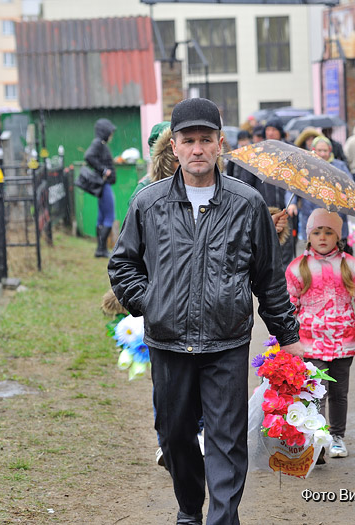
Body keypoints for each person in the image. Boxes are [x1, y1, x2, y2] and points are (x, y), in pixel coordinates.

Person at [108, 98, 302, 525]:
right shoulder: (149, 203)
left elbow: (269, 277)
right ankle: (189, 509)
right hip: (168, 341)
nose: (198, 149)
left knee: (226, 440)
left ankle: (221, 519)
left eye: (206, 140)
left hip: (226, 340)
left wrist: (289, 338)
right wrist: (151, 302)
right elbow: (123, 264)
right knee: (175, 436)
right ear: (173, 146)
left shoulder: (246, 204)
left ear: (220, 145)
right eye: (189, 140)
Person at [285, 208, 355, 458]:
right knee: (316, 392)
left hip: (343, 341)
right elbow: (287, 306)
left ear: (338, 237)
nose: (322, 237)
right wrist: (285, 338)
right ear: (308, 236)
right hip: (310, 343)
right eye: (317, 232)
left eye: (328, 232)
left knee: (339, 393)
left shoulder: (350, 266)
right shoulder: (298, 269)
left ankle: (337, 436)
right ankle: (318, 440)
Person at [286, 136, 352, 254]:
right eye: (319, 150)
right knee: (314, 251)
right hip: (311, 213)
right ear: (313, 150)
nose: (322, 154)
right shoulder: (305, 167)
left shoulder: (339, 166)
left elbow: (350, 187)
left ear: (330, 150)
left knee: (336, 251)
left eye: (325, 151)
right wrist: (292, 204)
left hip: (335, 214)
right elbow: (293, 186)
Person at [84, 118, 117, 258]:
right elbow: (88, 157)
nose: (111, 135)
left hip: (103, 185)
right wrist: (104, 170)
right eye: (110, 132)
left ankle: (100, 249)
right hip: (104, 185)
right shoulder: (98, 143)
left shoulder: (100, 144)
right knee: (109, 216)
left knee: (102, 217)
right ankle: (102, 249)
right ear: (104, 131)